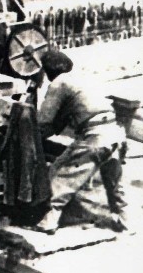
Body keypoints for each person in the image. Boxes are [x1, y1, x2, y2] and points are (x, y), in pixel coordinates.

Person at [34, 50, 129, 234]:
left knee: (61, 174)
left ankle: (49, 221)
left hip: (95, 136)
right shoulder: (83, 78)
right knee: (115, 183)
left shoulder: (59, 83)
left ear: (47, 70)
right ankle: (127, 223)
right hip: (115, 133)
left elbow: (44, 121)